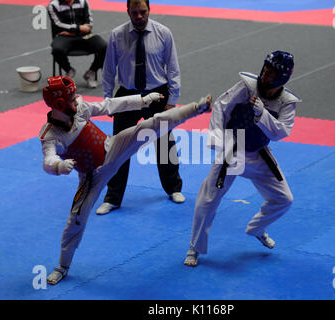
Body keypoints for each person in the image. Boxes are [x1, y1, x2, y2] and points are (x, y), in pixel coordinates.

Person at [39, 75, 212, 284]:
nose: (77, 99)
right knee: (76, 218)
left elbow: (110, 105)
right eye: (72, 97)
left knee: (150, 125)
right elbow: (48, 160)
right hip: (92, 177)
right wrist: (58, 166)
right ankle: (63, 266)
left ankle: (197, 108)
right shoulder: (51, 135)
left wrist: (143, 100)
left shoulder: (81, 109)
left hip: (113, 147)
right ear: (59, 103)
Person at [183, 51, 302, 267]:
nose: (265, 76)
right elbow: (221, 106)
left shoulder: (287, 102)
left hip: (259, 154)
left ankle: (256, 228)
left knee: (284, 199)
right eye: (265, 70)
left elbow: (280, 133)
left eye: (270, 73)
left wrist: (262, 114)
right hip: (232, 151)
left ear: (282, 77)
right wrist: (217, 139)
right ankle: (195, 247)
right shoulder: (248, 85)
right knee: (208, 198)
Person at [97, 0, 183, 215]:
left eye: (142, 12)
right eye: (134, 13)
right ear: (128, 12)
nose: (139, 16)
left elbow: (173, 68)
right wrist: (108, 102)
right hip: (127, 95)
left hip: (158, 94)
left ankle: (173, 188)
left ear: (149, 10)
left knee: (165, 143)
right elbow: (108, 71)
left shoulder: (163, 33)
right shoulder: (117, 35)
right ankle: (113, 197)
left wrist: (172, 99)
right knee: (119, 147)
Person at [47, 0, 107, 88]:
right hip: (64, 37)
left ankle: (91, 72)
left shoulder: (83, 2)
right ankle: (69, 70)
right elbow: (58, 24)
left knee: (104, 46)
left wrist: (74, 31)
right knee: (56, 49)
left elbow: (89, 24)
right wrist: (78, 28)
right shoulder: (53, 5)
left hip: (84, 35)